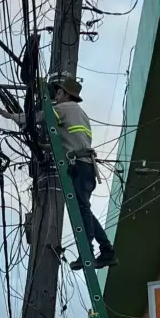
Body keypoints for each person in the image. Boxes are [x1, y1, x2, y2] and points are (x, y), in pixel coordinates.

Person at [49, 74, 116, 271]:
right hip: (87, 166)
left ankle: (87, 250)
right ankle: (107, 251)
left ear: (65, 94)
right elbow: (70, 141)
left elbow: (40, 118)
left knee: (81, 210)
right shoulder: (81, 113)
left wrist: (12, 116)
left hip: (79, 165)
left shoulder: (62, 108)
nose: (56, 96)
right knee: (84, 209)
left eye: (58, 92)